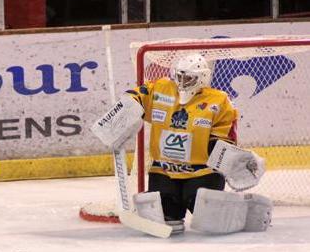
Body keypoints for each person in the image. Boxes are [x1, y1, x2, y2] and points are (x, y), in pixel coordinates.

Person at [92, 53, 269, 235]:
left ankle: (248, 209)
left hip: (202, 172)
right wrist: (122, 112)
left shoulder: (219, 101)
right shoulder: (160, 89)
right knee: (165, 219)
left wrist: (233, 159)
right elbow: (138, 94)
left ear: (202, 78)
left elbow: (223, 141)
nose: (182, 82)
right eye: (179, 76)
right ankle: (173, 207)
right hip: (164, 171)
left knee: (210, 217)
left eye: (189, 78)